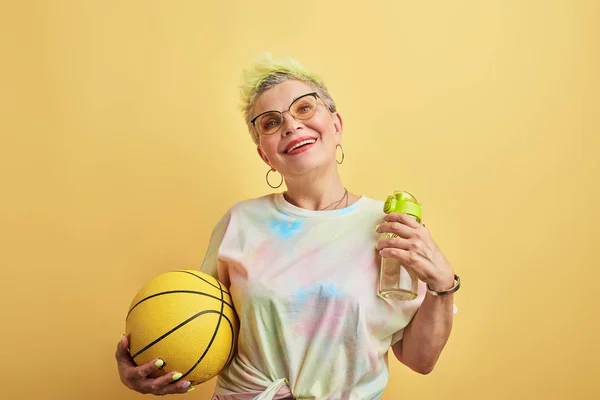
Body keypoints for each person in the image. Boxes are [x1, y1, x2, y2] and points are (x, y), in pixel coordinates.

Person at [115, 53, 459, 400]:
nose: (291, 125)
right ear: (265, 154)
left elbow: (420, 359)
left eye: (305, 109)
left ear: (336, 124)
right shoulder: (240, 223)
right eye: (270, 122)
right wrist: (147, 363)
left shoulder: (388, 228)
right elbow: (199, 328)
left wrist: (442, 286)